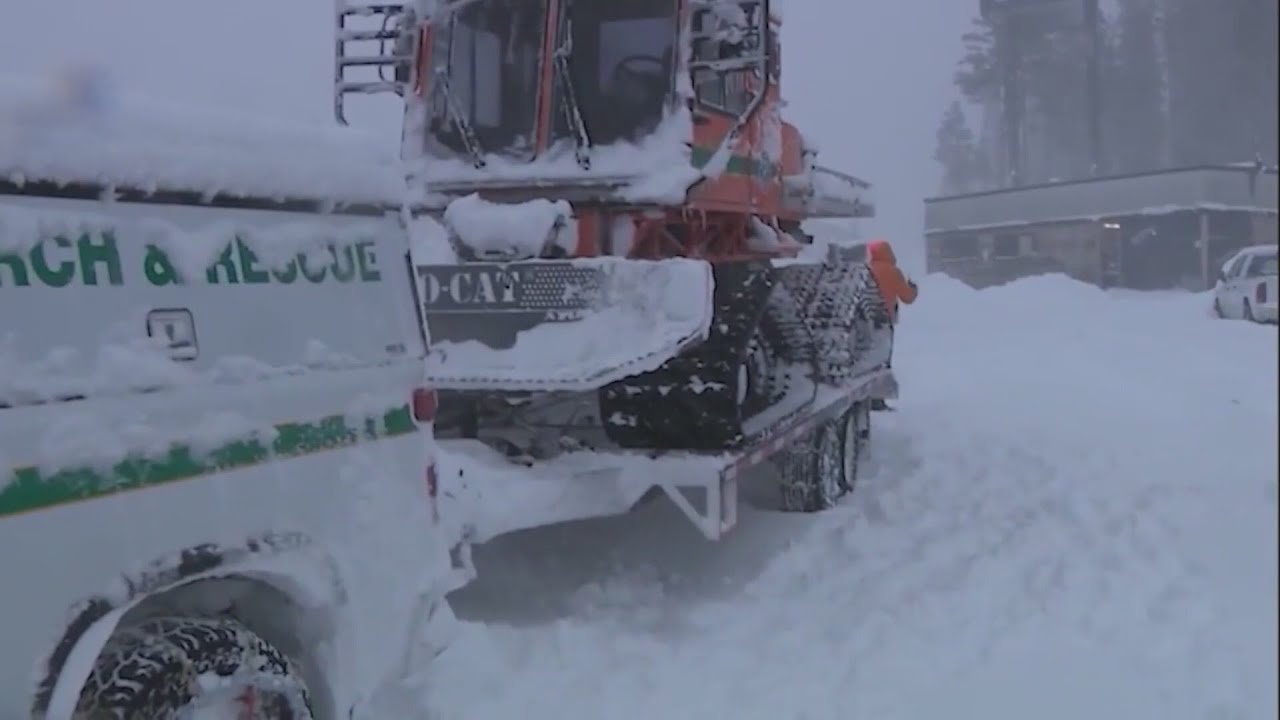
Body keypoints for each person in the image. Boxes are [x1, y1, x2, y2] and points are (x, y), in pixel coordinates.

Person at [865, 239, 918, 409]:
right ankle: (878, 400)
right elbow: (907, 297)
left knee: (866, 359)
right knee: (882, 360)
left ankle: (867, 396)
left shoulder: (866, 270)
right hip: (884, 321)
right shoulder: (893, 272)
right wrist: (913, 288)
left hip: (865, 320)